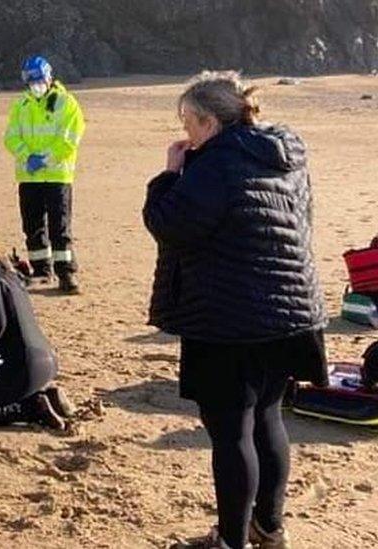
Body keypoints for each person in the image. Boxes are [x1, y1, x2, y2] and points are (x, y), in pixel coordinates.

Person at [143, 71, 328, 549]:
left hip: (231, 317)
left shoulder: (215, 164)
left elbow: (171, 224)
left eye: (187, 121)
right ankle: (268, 528)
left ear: (208, 121)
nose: (184, 132)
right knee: (267, 418)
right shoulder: (285, 155)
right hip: (290, 310)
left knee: (232, 434)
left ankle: (231, 540)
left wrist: (168, 175)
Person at [0, 218, 74, 430]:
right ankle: (44, 395)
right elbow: (9, 322)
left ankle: (31, 407)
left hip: (25, 365)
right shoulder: (6, 269)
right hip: (45, 359)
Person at [3, 55, 85, 293]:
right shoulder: (21, 105)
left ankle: (66, 273)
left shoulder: (67, 103)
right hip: (29, 177)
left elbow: (70, 140)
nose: (36, 84)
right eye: (32, 81)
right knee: (33, 226)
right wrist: (27, 156)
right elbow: (11, 136)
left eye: (40, 79)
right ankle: (41, 269)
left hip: (58, 176)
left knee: (60, 228)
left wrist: (46, 159)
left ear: (49, 77)